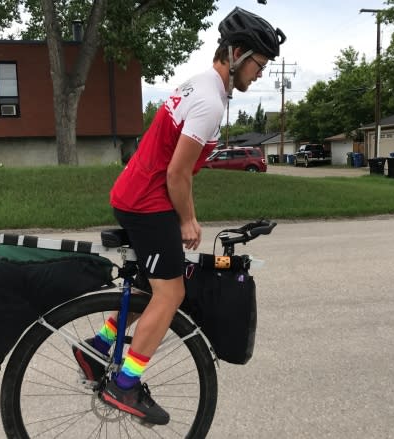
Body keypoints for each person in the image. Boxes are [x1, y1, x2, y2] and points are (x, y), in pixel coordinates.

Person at [73, 7, 285, 425]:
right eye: (259, 65)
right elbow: (177, 172)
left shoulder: (202, 86)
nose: (259, 74)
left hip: (136, 193)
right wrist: (188, 220)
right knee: (172, 294)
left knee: (154, 288)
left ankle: (98, 347)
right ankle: (126, 384)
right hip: (147, 201)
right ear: (238, 53)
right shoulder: (210, 101)